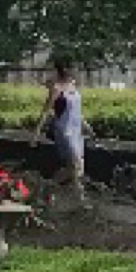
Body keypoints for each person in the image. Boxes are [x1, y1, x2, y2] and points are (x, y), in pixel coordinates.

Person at [31, 61, 87, 193]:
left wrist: (88, 127)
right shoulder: (56, 89)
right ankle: (82, 198)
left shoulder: (73, 85)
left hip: (76, 131)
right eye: (72, 68)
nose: (75, 71)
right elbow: (45, 112)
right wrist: (36, 134)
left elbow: (77, 112)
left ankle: (48, 187)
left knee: (76, 169)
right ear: (64, 69)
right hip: (64, 131)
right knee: (76, 165)